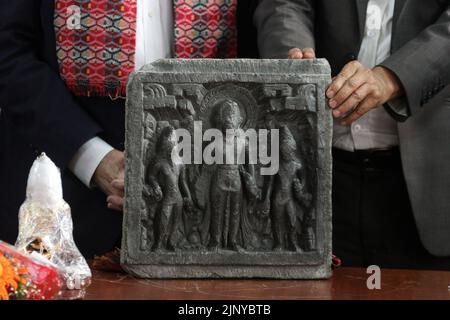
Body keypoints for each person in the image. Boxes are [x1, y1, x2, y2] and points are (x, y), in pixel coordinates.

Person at [0, 0, 259, 258]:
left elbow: (264, 30)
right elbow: (9, 52)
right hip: (63, 207)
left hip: (200, 209)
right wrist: (93, 158)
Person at [255, 0, 450, 269]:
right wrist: (295, 61)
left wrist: (392, 78)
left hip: (429, 181)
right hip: (321, 177)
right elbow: (285, 5)